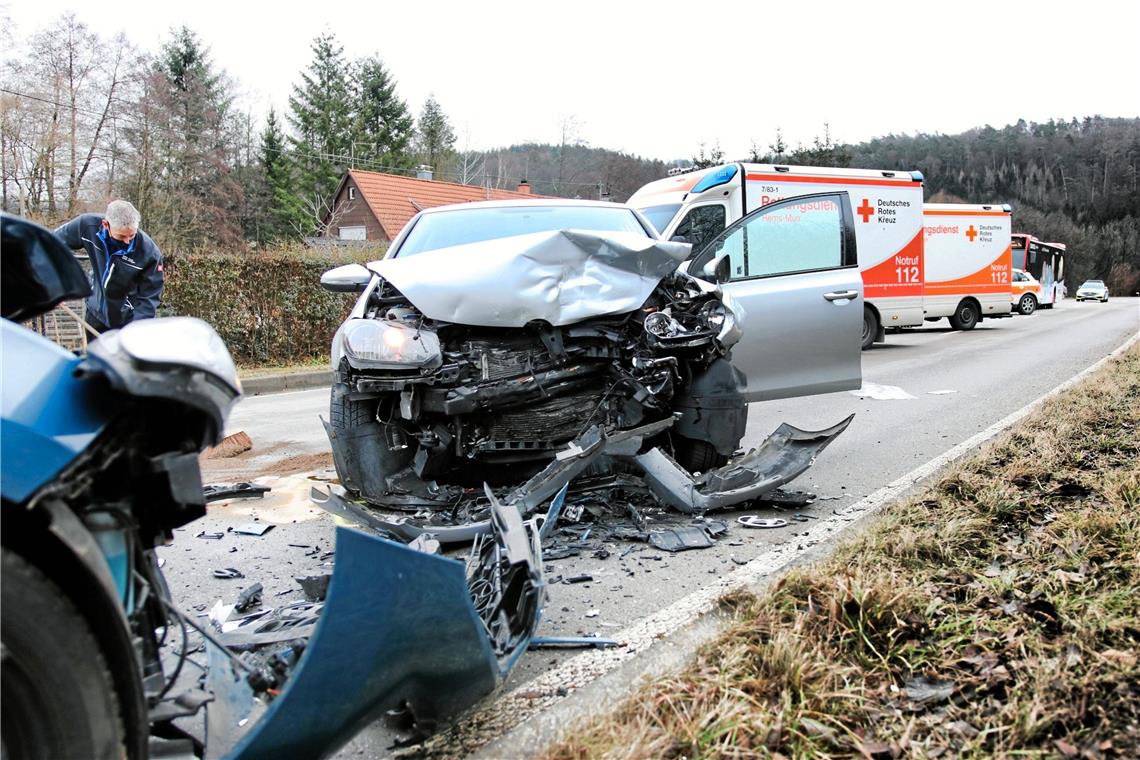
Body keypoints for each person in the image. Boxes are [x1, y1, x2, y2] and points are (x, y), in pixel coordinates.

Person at [55, 200, 164, 333]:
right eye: (121, 236)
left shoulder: (149, 253)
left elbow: (149, 297)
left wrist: (136, 332)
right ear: (106, 224)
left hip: (127, 321)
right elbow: (50, 243)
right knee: (94, 353)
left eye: (132, 235)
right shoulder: (87, 226)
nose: (127, 241)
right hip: (95, 314)